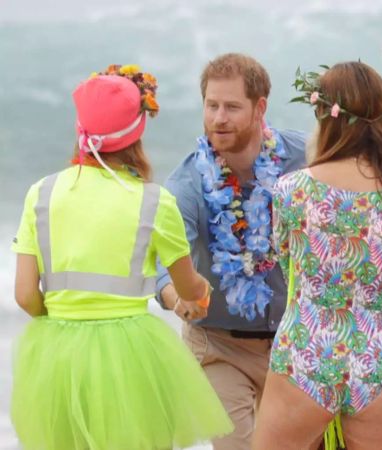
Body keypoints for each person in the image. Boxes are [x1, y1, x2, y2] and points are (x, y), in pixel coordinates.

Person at [11, 65, 232, 449]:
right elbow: (187, 287)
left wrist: (68, 316)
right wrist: (198, 295)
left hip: (57, 354)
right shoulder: (152, 200)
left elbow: (26, 295)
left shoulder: (41, 193)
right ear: (136, 135)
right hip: (130, 355)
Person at [253, 61, 382, 449]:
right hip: (376, 354)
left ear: (323, 115)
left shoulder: (291, 189)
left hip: (307, 347)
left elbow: (288, 263)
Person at [154, 53, 308, 449]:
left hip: (296, 342)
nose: (219, 118)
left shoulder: (304, 160)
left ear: (260, 108)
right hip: (218, 345)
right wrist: (179, 299)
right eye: (212, 105)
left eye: (232, 106)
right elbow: (166, 265)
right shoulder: (186, 184)